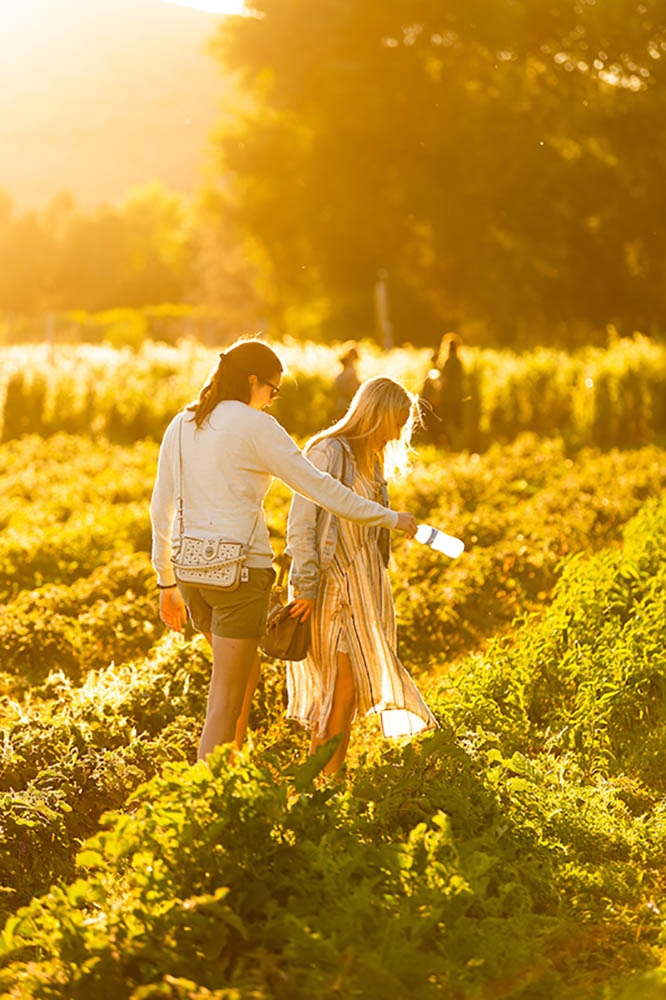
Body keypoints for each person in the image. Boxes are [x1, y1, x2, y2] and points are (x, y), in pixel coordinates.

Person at [150, 339, 417, 762]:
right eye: (272, 390)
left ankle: (232, 773)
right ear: (253, 381)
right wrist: (389, 517)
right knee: (225, 699)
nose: (272, 399)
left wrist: (165, 581)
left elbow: (161, 506)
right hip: (238, 576)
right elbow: (321, 489)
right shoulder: (257, 426)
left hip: (190, 575)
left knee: (243, 677)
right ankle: (205, 789)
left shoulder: (182, 423)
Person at [286, 376, 439, 776]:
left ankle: (326, 782)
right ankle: (320, 782)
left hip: (366, 587)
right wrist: (305, 585)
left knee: (347, 694)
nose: (398, 434)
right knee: (339, 689)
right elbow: (301, 523)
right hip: (331, 584)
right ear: (375, 415)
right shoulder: (327, 452)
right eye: (395, 423)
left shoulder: (373, 459)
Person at [332, 342, 361, 420]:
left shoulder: (342, 372)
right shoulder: (351, 372)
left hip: (342, 404)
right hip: (348, 405)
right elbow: (353, 390)